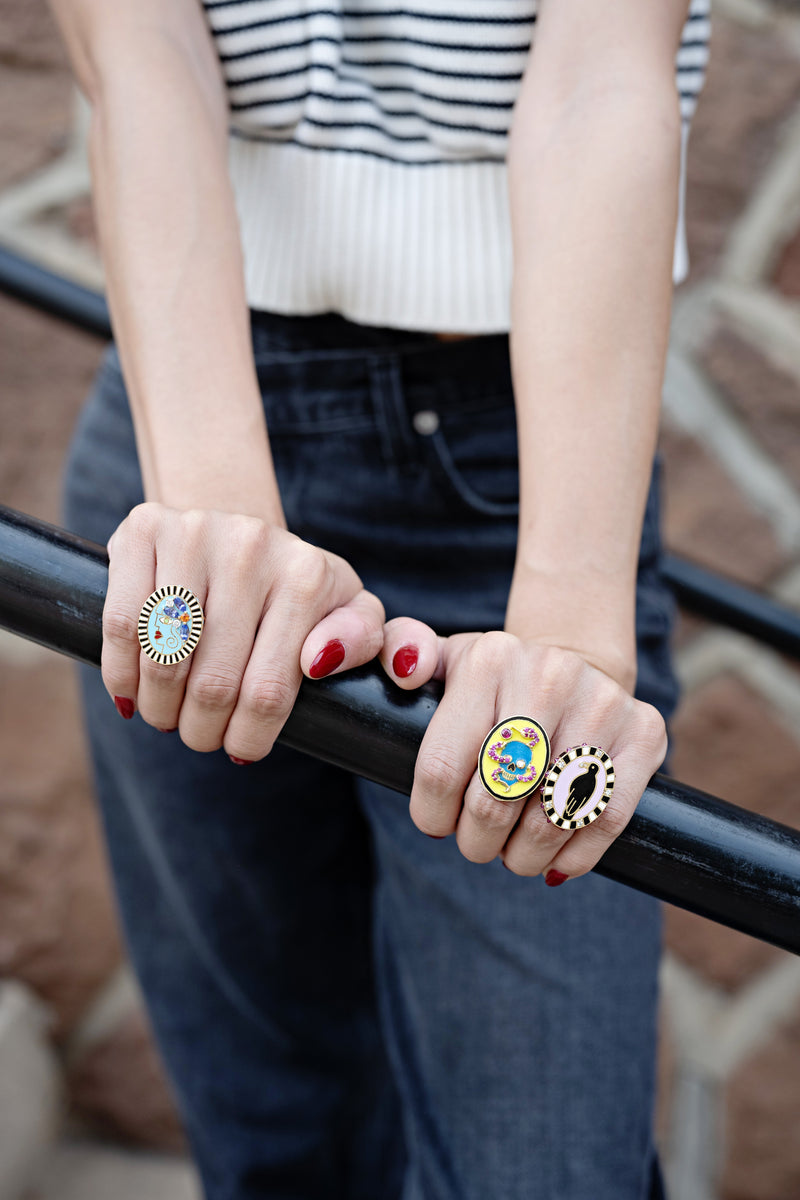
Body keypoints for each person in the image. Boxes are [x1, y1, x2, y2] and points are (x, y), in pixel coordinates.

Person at [52, 0, 708, 1196]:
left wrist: (566, 630)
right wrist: (211, 519)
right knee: (276, 1140)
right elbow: (134, 47)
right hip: (180, 444)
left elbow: (604, 74)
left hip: (521, 464)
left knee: (547, 1173)